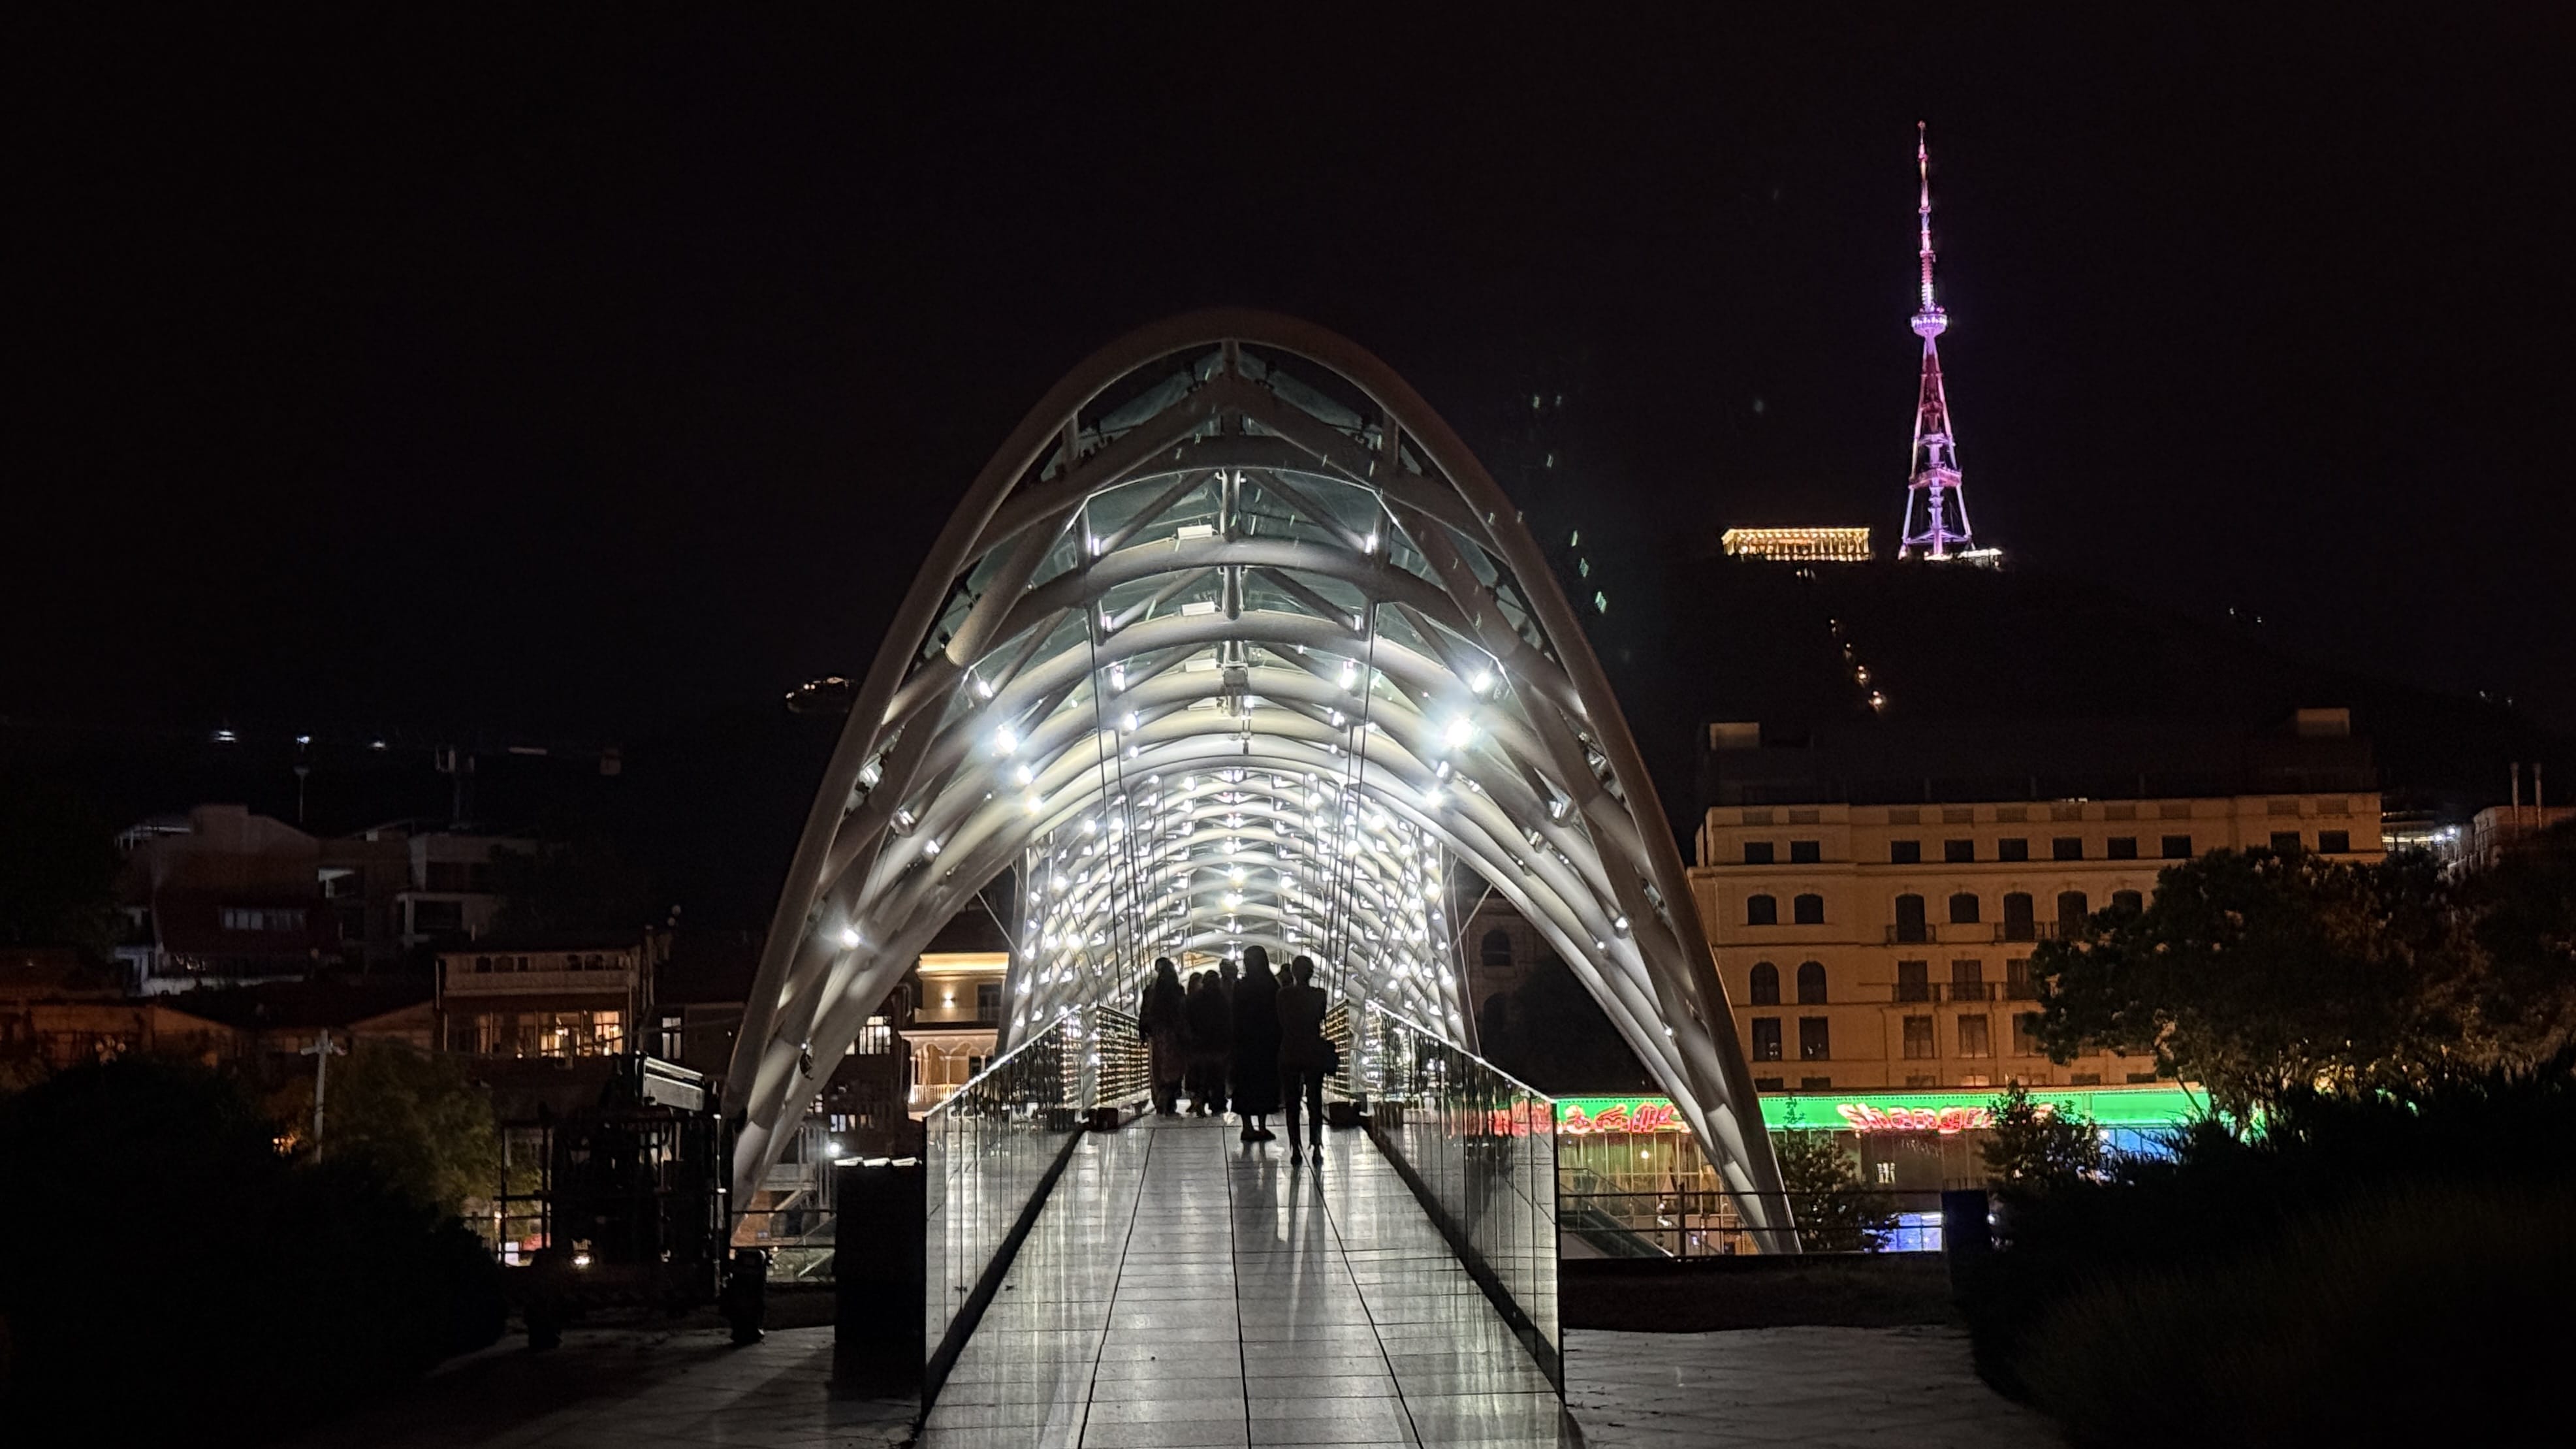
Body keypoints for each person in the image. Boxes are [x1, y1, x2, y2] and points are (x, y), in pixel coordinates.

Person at [1275, 955, 1331, 1164]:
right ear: (1312, 973)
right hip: (1313, 1050)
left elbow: (1281, 1020)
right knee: (1315, 1098)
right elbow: (1321, 1017)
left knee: (1292, 1101)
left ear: (1293, 973)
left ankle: (1295, 1148)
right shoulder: (1320, 994)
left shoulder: (1282, 995)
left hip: (1290, 1050)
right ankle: (1316, 1146)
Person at [1228, 947, 1282, 1142]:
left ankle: (1247, 1127)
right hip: (1266, 1043)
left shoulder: (1241, 987)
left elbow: (1235, 1015)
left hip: (1245, 1043)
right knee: (1265, 1083)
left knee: (1245, 1083)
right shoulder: (1272, 985)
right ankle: (1262, 1126)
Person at [1139, 957, 1187, 1115]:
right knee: (1174, 1067)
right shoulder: (1177, 990)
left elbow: (1144, 1013)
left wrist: (1143, 1032)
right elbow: (1182, 1012)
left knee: (1158, 1067)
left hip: (1156, 1034)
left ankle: (1160, 1096)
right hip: (1174, 1034)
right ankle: (1169, 1096)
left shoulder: (1150, 991)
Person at [1184, 971, 1230, 1116]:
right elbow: (1228, 1021)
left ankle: (1200, 1100)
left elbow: (1187, 1018)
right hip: (1218, 1044)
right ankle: (1217, 1104)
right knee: (1217, 1076)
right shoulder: (1222, 999)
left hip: (1199, 1043)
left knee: (1201, 1074)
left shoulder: (1195, 999)